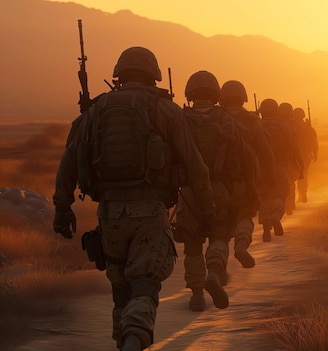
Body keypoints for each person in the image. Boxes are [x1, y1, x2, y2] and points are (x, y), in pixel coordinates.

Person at [52, 47, 216, 351]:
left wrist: (62, 209)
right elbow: (195, 166)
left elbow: (69, 161)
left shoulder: (94, 112)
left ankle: (124, 340)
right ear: (153, 74)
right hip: (150, 211)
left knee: (121, 289)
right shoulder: (167, 111)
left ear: (119, 73)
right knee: (146, 282)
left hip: (110, 215)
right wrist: (207, 208)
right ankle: (135, 337)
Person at [174, 71, 256, 312]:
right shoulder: (230, 122)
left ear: (190, 94)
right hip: (219, 189)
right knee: (220, 235)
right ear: (215, 94)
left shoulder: (180, 120)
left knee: (192, 243)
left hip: (188, 192)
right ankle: (214, 271)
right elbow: (247, 158)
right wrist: (250, 188)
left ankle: (197, 293)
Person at [219, 80, 275, 269]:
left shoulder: (216, 117)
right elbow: (265, 150)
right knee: (245, 216)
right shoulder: (251, 121)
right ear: (242, 98)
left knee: (221, 227)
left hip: (218, 181)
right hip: (245, 178)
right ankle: (241, 245)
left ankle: (216, 267)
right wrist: (269, 174)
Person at [258, 98, 301, 241]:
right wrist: (300, 166)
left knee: (264, 197)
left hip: (261, 169)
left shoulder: (255, 127)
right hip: (280, 167)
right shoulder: (284, 128)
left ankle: (266, 229)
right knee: (280, 195)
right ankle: (276, 216)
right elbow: (295, 149)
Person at [278, 102, 304, 215]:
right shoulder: (297, 126)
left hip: (275, 161)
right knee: (291, 182)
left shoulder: (274, 125)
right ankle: (289, 203)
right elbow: (297, 146)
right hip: (290, 160)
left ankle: (281, 206)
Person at [292, 107, 318, 203]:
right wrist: (315, 153)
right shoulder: (308, 128)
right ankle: (303, 193)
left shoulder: (290, 126)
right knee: (304, 175)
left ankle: (292, 198)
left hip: (293, 155)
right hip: (305, 155)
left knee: (291, 176)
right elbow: (314, 142)